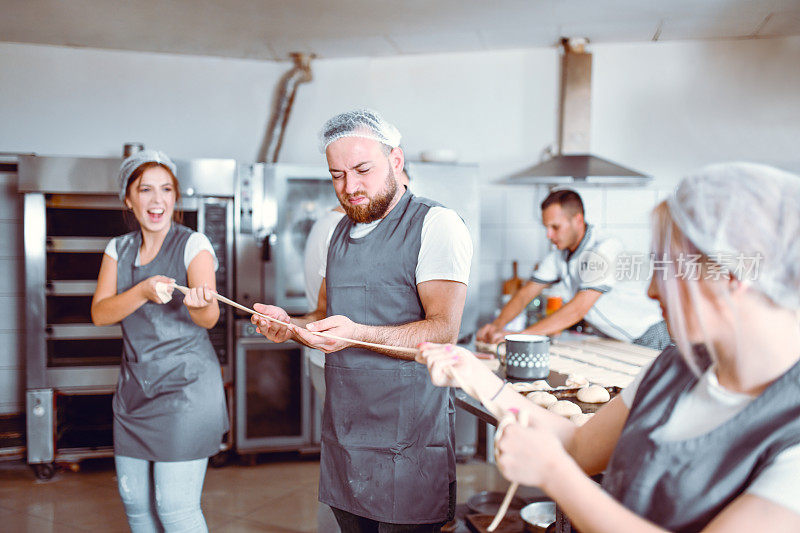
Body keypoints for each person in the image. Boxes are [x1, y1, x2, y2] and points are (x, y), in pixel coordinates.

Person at [418, 162, 800, 532]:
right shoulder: (673, 369)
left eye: (665, 268)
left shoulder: (790, 427)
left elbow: (565, 461)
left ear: (730, 275)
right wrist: (479, 378)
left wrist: (554, 474)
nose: (652, 290)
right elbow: (580, 445)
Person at [254, 109, 472, 532]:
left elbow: (443, 331)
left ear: (395, 161)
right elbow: (322, 316)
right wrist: (292, 326)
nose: (349, 187)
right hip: (346, 439)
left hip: (407, 444)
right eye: (337, 174)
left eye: (362, 169)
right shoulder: (338, 233)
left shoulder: (435, 224)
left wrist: (355, 335)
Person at [91, 150, 228, 532]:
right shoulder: (117, 249)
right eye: (146, 189)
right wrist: (143, 291)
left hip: (186, 392)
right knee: (136, 505)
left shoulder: (192, 245)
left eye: (166, 189)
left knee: (175, 508)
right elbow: (100, 313)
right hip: (135, 392)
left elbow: (209, 316)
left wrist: (199, 305)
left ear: (175, 197)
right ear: (128, 199)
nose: (157, 200)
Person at [477, 188, 669, 350]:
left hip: (649, 334)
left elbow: (579, 308)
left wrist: (520, 336)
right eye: (546, 227)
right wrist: (496, 327)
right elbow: (525, 294)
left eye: (555, 227)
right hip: (617, 338)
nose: (548, 235)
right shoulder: (559, 256)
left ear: (578, 220)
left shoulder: (605, 248)